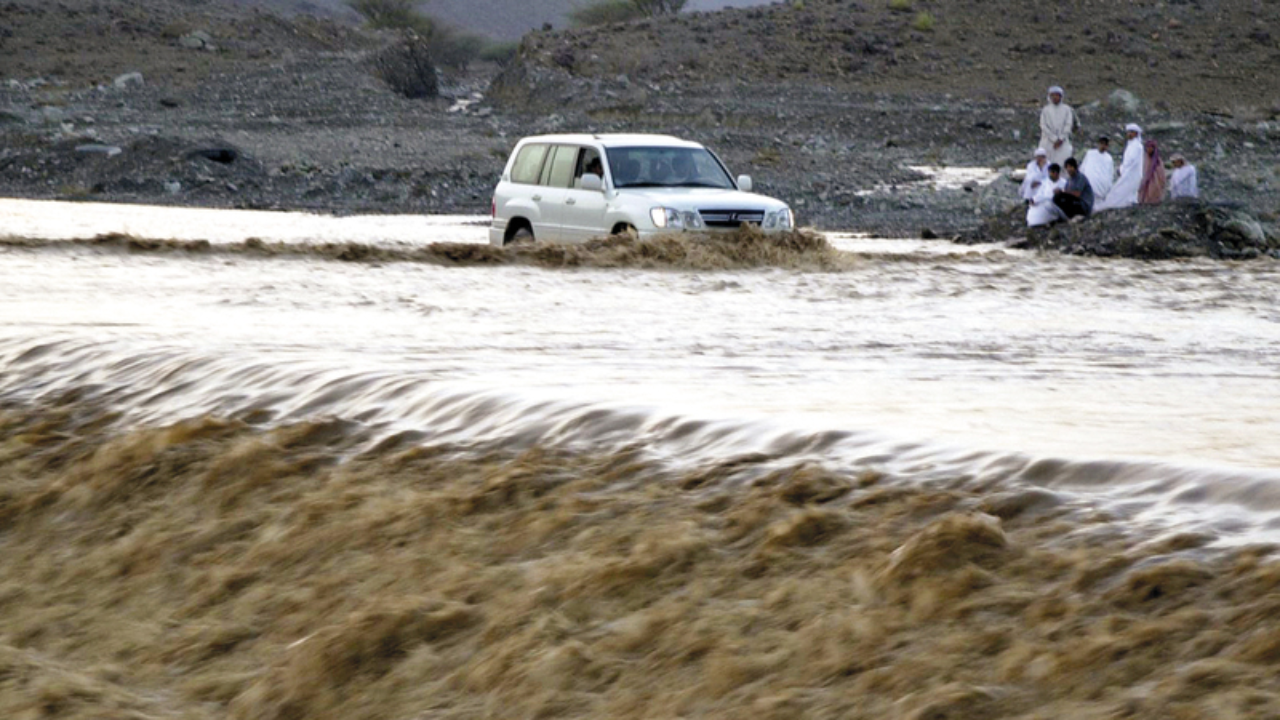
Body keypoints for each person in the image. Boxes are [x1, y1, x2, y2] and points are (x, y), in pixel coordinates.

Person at [1095, 124, 1143, 211]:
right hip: (1128, 172)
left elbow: (1131, 161)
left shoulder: (1137, 146)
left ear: (1136, 134)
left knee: (1122, 190)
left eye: (1131, 132)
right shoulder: (1131, 145)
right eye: (1128, 132)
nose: (1129, 134)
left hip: (1131, 173)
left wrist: (1122, 169)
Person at [1039, 85, 1077, 166]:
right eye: (1053, 95)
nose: (1055, 97)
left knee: (1064, 163)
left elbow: (1068, 125)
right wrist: (1054, 139)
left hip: (1063, 142)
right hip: (1048, 142)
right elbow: (1043, 126)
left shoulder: (1067, 109)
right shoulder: (1045, 110)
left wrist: (1060, 139)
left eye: (1057, 95)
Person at [1080, 136, 1115, 202]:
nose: (1103, 146)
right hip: (1089, 182)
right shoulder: (1090, 153)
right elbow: (1084, 167)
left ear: (1107, 146)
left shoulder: (1108, 158)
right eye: (1101, 143)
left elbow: (1110, 173)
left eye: (1105, 144)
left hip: (1101, 186)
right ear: (1098, 144)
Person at [1139, 139, 1166, 205]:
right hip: (1145, 180)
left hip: (1155, 180)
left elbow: (1161, 172)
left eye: (1150, 147)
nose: (1149, 149)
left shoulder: (1157, 160)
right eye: (1147, 147)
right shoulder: (1144, 159)